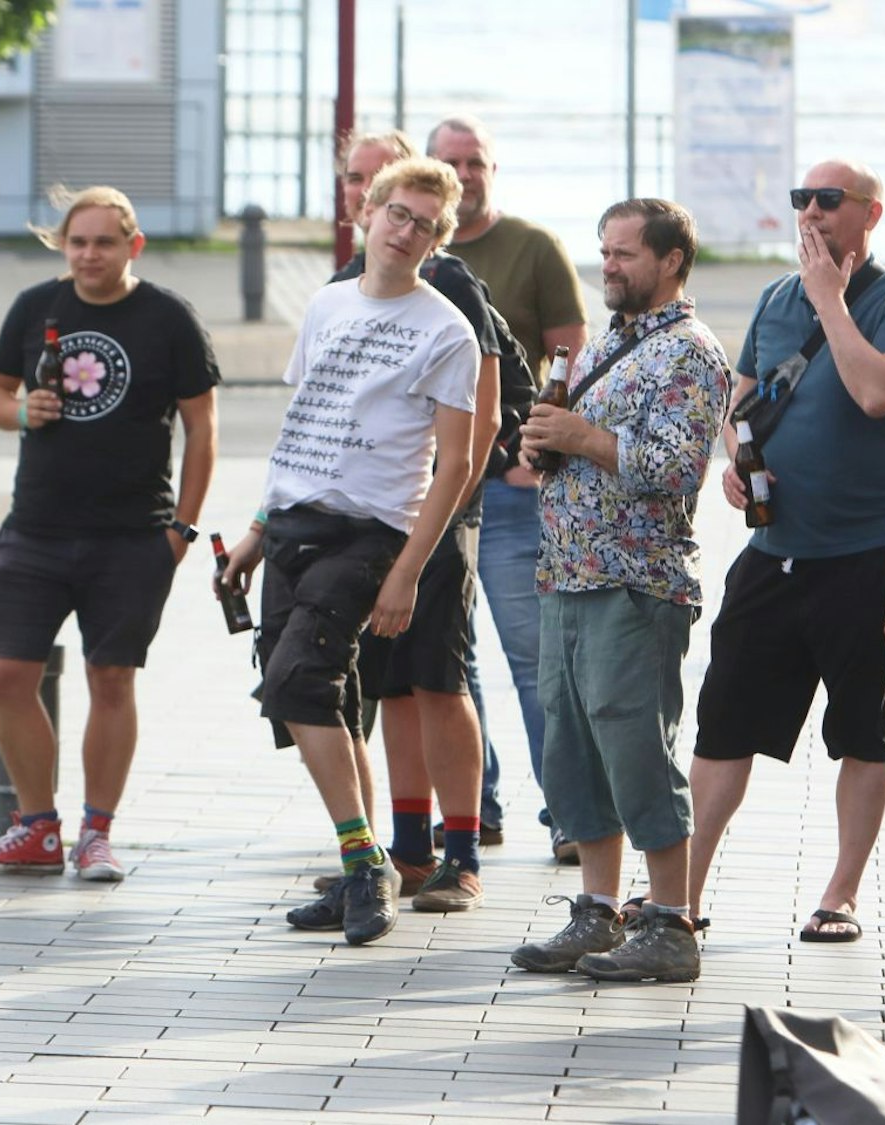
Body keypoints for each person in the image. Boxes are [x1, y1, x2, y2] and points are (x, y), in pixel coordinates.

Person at [219, 157, 479, 947]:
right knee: (323, 700)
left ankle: (367, 863)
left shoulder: (448, 330)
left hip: (370, 532)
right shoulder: (327, 303)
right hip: (292, 524)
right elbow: (303, 425)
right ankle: (362, 863)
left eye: (424, 224)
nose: (405, 231)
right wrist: (256, 530)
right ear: (368, 212)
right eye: (397, 213)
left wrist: (407, 571)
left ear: (438, 240)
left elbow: (458, 464)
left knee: (296, 681)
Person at [685, 161, 885, 944]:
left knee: (861, 728)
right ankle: (678, 894)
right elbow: (743, 398)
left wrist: (830, 298)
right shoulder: (774, 297)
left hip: (867, 552)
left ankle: (840, 893)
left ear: (870, 213)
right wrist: (738, 461)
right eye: (802, 199)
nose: (812, 213)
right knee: (723, 720)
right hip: (775, 550)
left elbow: (877, 393)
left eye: (830, 200)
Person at [0, 185, 218, 882]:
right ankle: (37, 828)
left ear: (134, 246)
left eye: (104, 242)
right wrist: (22, 412)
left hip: (132, 536)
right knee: (6, 672)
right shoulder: (35, 306)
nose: (89, 254)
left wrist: (182, 529)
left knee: (111, 678)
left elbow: (202, 426)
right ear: (61, 246)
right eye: (77, 242)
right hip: (35, 528)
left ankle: (96, 834)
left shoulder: (168, 317)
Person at [509, 198, 729, 984]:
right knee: (573, 752)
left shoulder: (690, 352)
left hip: (635, 581)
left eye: (625, 253)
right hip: (568, 574)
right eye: (604, 251)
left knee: (636, 751)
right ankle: (596, 910)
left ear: (671, 261)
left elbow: (676, 466)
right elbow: (587, 447)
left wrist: (580, 436)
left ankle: (670, 921)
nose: (608, 265)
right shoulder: (608, 343)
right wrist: (546, 445)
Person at [321, 129, 506, 913]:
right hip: (368, 519)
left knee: (438, 677)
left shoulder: (450, 284)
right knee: (391, 684)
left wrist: (446, 520)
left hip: (436, 515)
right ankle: (407, 848)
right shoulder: (343, 285)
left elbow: (485, 415)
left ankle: (461, 853)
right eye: (360, 183)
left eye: (412, 213)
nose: (372, 201)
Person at [428, 115, 590, 861]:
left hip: (512, 492)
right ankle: (474, 810)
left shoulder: (532, 246)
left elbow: (571, 357)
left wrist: (536, 453)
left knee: (535, 658)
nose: (464, 175)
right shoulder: (415, 252)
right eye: (449, 162)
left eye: (476, 162)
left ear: (493, 169)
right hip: (433, 493)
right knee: (448, 660)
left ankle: (569, 813)